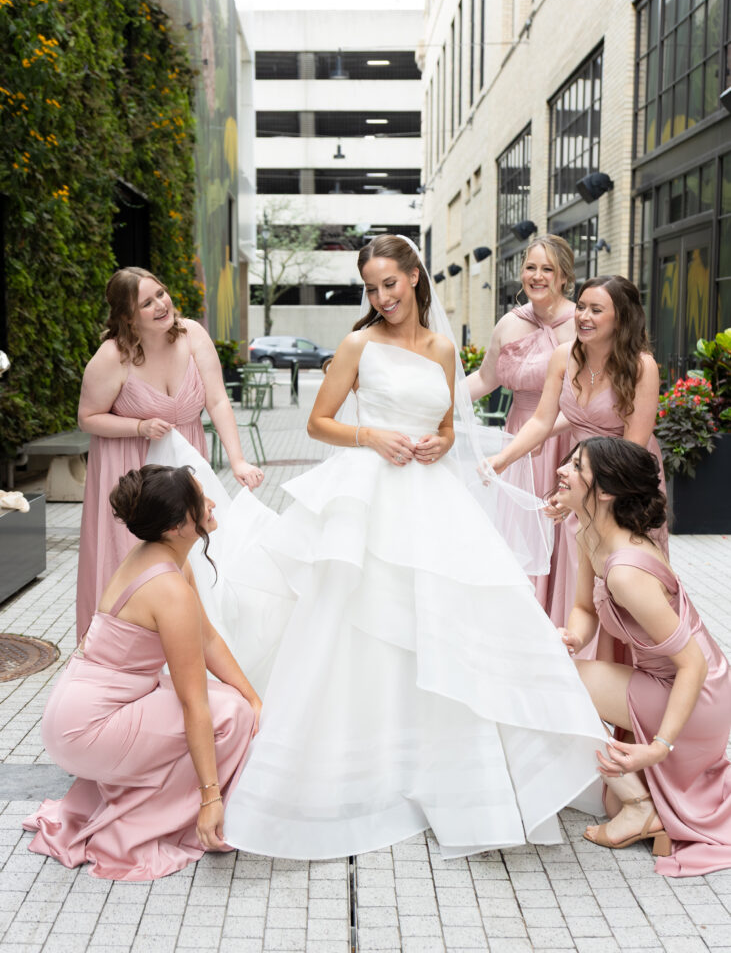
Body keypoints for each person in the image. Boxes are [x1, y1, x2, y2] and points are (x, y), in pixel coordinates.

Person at [217, 233, 606, 861]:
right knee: (358, 624)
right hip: (368, 496)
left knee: (447, 620)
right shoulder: (357, 345)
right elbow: (320, 421)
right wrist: (370, 435)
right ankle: (359, 767)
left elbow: (451, 426)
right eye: (370, 288)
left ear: (415, 278)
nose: (381, 296)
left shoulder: (443, 348)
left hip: (430, 498)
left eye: (389, 284)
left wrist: (441, 444)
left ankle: (449, 767)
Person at [24, 464, 262, 880]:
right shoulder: (167, 588)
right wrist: (210, 798)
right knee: (229, 716)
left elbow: (206, 640)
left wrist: (254, 695)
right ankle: (148, 826)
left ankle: (147, 797)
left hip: (80, 710)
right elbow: (193, 703)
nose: (211, 503)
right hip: (88, 727)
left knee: (236, 703)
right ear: (175, 526)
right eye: (199, 500)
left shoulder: (161, 557)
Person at [555, 437, 731, 877]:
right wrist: (573, 639)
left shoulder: (627, 572)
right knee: (607, 795)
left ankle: (640, 807)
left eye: (577, 466)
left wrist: (658, 748)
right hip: (668, 682)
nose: (562, 470)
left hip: (696, 695)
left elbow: (694, 664)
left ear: (607, 491)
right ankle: (638, 805)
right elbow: (582, 609)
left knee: (555, 681)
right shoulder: (589, 532)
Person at [76, 267, 264, 643]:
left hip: (185, 460)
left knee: (192, 551)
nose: (162, 305)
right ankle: (124, 649)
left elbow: (217, 400)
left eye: (161, 294)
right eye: (147, 303)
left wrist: (238, 460)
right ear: (128, 316)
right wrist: (139, 427)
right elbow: (87, 418)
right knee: (132, 557)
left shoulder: (192, 334)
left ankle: (192, 645)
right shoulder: (113, 356)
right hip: (130, 466)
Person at [486, 275, 665, 630]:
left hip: (623, 484)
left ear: (622, 318)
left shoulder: (642, 367)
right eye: (581, 307)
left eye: (596, 310)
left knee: (620, 577)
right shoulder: (562, 357)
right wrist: (501, 460)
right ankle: (576, 659)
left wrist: (582, 490)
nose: (583, 316)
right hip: (580, 475)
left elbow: (633, 447)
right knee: (576, 577)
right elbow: (540, 422)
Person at [466, 235, 575, 613]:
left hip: (566, 437)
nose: (538, 276)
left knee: (563, 534)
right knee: (521, 533)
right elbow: (483, 380)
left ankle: (561, 619)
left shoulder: (582, 323)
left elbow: (586, 399)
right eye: (531, 267)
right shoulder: (509, 323)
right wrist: (435, 400)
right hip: (519, 438)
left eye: (548, 269)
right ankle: (524, 620)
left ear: (564, 277)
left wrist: (548, 431)